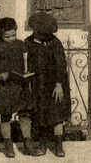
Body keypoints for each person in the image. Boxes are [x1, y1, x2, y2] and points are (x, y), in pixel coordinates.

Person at [0, 17, 45, 158]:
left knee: (25, 114)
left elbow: (27, 61)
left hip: (20, 85)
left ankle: (27, 143)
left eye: (13, 35)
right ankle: (8, 145)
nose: (12, 38)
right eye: (7, 36)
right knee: (5, 116)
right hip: (4, 87)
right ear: (0, 35)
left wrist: (28, 72)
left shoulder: (20, 45)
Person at [25, 12, 71, 157]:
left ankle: (58, 145)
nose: (36, 34)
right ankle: (42, 144)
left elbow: (60, 65)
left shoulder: (55, 43)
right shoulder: (28, 42)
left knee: (57, 115)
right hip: (37, 84)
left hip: (54, 85)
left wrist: (59, 85)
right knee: (40, 115)